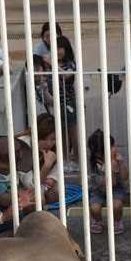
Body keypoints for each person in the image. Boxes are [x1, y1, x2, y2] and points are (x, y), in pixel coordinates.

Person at [87, 129, 129, 235]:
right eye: (110, 147)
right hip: (98, 190)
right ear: (98, 153)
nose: (114, 149)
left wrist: (120, 165)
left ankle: (117, 221)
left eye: (113, 145)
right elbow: (103, 183)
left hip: (116, 187)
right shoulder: (94, 165)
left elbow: (125, 177)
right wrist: (111, 169)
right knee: (94, 208)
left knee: (117, 205)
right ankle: (98, 221)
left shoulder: (117, 159)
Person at [47, 35, 79, 171]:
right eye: (55, 48)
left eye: (61, 48)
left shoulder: (70, 63)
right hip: (55, 103)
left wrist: (52, 64)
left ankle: (77, 160)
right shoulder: (52, 64)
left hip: (67, 103)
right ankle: (65, 158)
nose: (58, 51)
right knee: (61, 132)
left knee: (72, 132)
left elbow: (67, 75)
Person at [15, 113, 59, 206]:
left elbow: (55, 175)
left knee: (58, 191)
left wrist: (42, 188)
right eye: (44, 139)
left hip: (36, 181)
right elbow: (30, 184)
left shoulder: (56, 146)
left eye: (53, 139)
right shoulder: (22, 146)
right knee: (35, 201)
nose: (49, 144)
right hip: (15, 185)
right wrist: (47, 165)